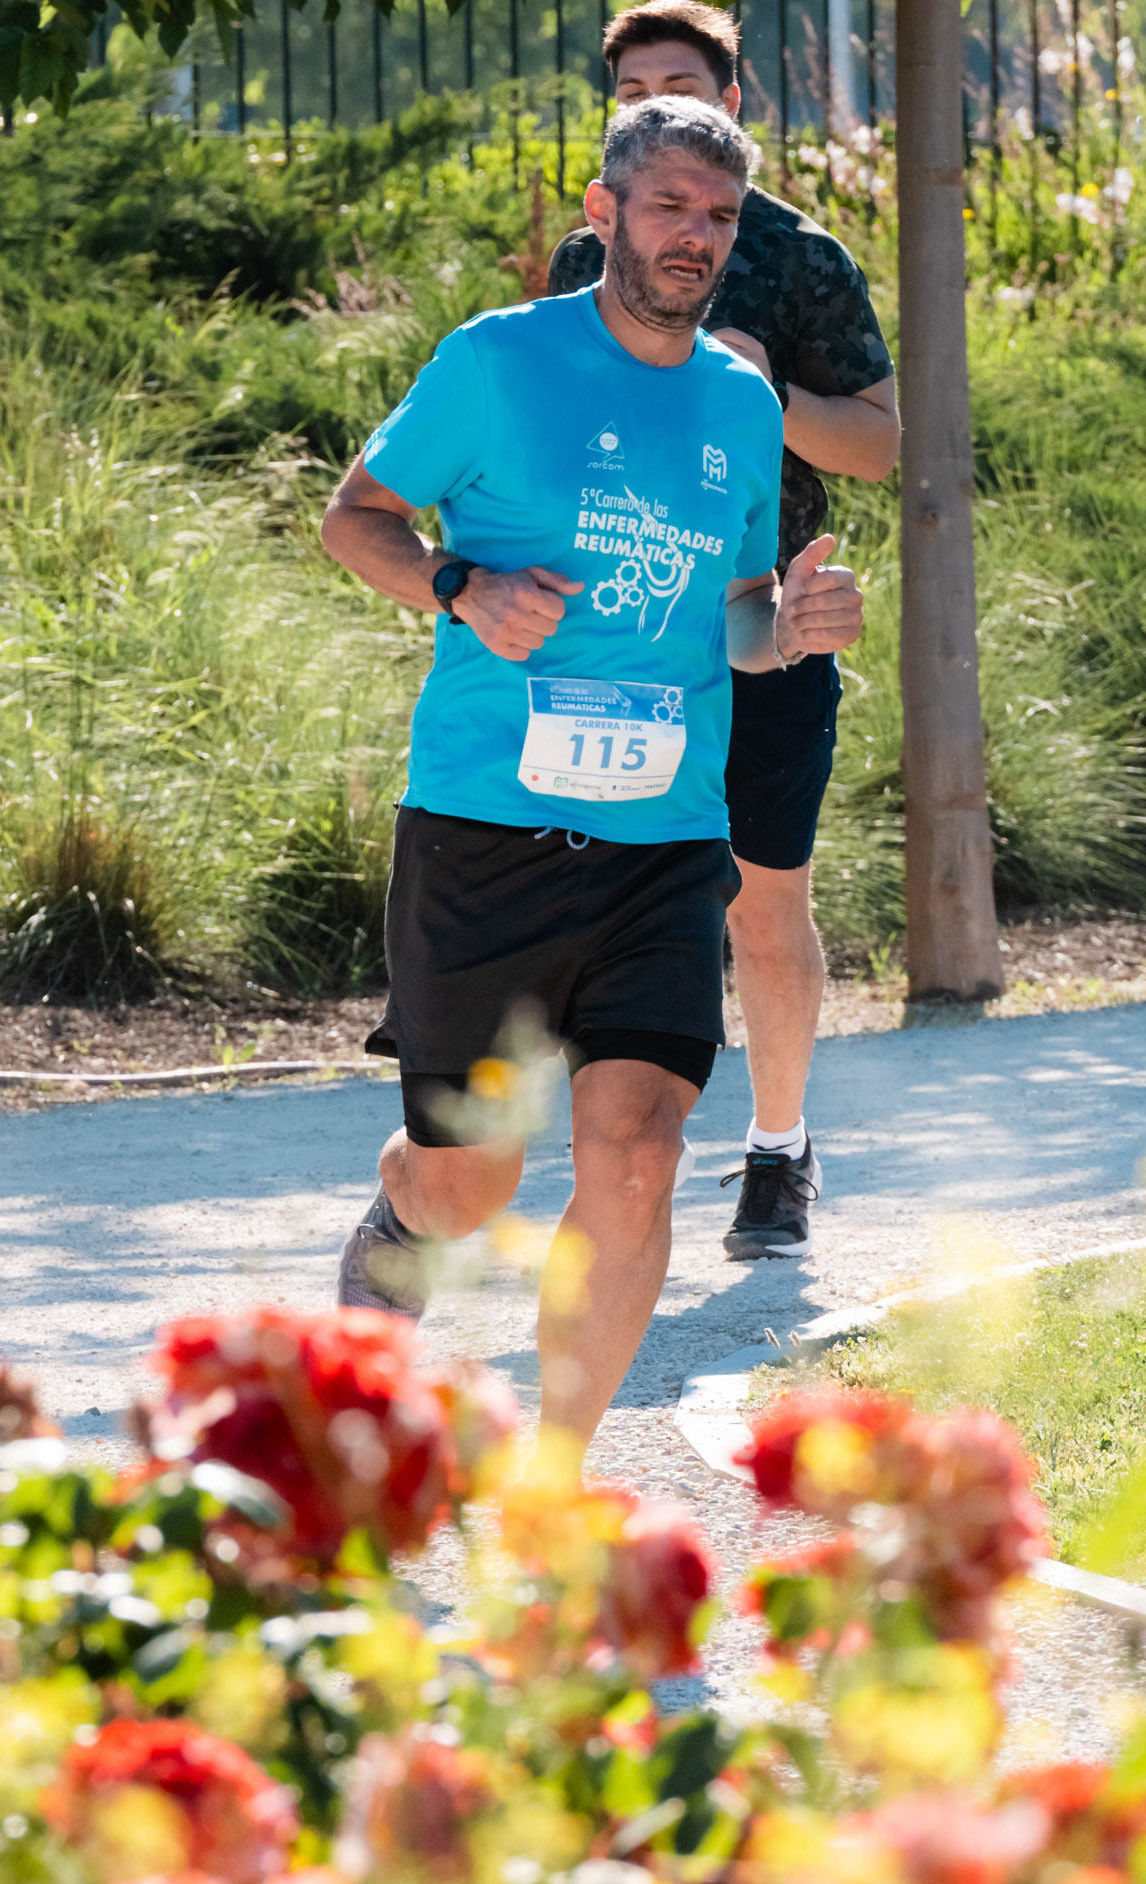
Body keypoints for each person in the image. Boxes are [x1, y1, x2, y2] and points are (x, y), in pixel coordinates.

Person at [320, 93, 868, 1460]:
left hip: (664, 837)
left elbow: (737, 616)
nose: (695, 236)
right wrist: (460, 584)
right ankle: (400, 1214)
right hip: (484, 826)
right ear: (603, 210)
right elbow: (355, 517)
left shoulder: (740, 402)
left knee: (636, 1151)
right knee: (468, 1181)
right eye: (669, 204)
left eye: (719, 215)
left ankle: (552, 1484)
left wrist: (790, 626)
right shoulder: (495, 361)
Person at [544, 0, 898, 1259]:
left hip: (766, 627)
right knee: (609, 902)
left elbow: (879, 443)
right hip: (625, 633)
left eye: (679, 86)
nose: (655, 107)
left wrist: (762, 390)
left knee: (759, 904)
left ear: (733, 99)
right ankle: (623, 1152)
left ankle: (777, 1147)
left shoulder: (795, 254)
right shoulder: (587, 253)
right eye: (631, 92)